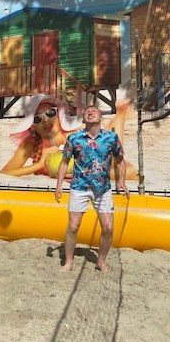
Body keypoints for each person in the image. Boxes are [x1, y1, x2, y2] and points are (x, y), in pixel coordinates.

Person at [55, 105, 130, 272]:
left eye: (94, 111)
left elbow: (120, 160)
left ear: (101, 117)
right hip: (79, 187)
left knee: (108, 227)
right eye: (87, 111)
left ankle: (101, 261)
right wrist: (59, 185)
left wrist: (121, 181)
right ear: (83, 119)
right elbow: (64, 162)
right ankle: (68, 262)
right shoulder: (74, 139)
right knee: (73, 226)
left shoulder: (111, 138)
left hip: (102, 189)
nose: (90, 112)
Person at [1, 94, 81, 177]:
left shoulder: (75, 138)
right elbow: (5, 173)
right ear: (32, 127)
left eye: (50, 113)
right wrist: (39, 165)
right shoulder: (31, 143)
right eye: (37, 118)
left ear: (59, 115)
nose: (46, 120)